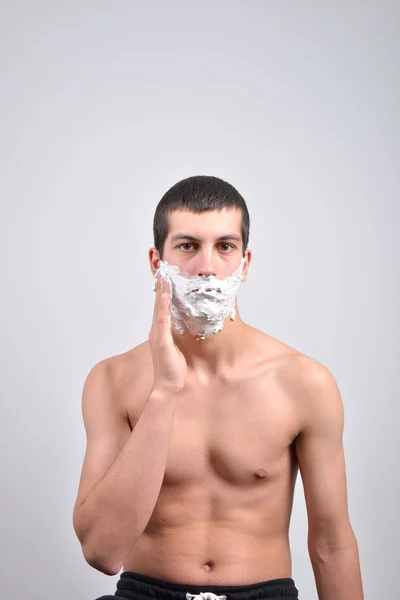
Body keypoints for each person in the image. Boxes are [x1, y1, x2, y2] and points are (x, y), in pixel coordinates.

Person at [73, 175, 364, 600]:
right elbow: (102, 550)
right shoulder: (112, 380)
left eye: (225, 247)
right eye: (188, 246)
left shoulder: (304, 383)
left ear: (245, 264)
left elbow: (332, 546)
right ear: (157, 263)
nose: (207, 266)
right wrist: (165, 390)